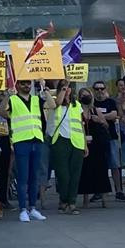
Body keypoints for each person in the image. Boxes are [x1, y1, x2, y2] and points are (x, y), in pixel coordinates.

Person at [10, 80, 47, 221]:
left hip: (36, 140)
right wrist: (8, 96)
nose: (27, 86)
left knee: (34, 177)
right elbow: (2, 112)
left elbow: (52, 105)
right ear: (17, 85)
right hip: (21, 141)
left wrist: (44, 87)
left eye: (28, 83)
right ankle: (23, 209)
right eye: (23, 83)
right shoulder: (13, 99)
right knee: (23, 177)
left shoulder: (37, 99)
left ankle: (33, 208)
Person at [47, 81, 86, 215]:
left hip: (77, 142)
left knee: (75, 174)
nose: (67, 89)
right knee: (63, 174)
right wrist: (62, 91)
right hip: (60, 141)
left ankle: (72, 202)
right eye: (64, 87)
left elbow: (80, 125)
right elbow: (57, 103)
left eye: (69, 87)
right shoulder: (53, 102)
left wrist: (85, 144)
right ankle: (63, 200)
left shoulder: (77, 105)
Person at [78, 88, 113, 207]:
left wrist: (99, 120)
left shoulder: (95, 110)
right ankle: (85, 199)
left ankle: (104, 199)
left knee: (101, 171)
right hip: (84, 144)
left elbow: (106, 125)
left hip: (98, 144)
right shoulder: (77, 111)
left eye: (87, 95)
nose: (85, 97)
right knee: (85, 171)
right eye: (83, 95)